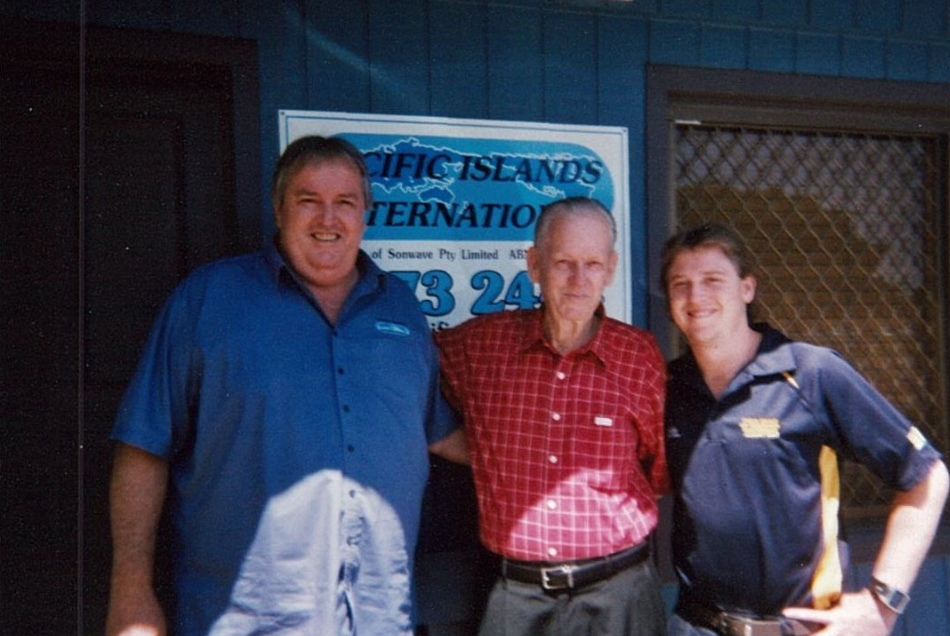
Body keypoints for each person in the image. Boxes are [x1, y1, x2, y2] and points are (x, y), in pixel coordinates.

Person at [106, 135, 460, 636]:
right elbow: (143, 445)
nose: (328, 220)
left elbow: (433, 430)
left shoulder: (399, 306)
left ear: (366, 215)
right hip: (247, 619)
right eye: (308, 201)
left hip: (379, 615)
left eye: (345, 203)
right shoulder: (209, 301)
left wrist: (550, 451)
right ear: (278, 210)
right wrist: (131, 592)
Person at [660, 222, 949, 636]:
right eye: (680, 284)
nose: (696, 296)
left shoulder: (810, 373)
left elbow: (927, 476)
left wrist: (883, 603)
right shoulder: (667, 387)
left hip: (805, 629)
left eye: (712, 280)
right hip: (695, 627)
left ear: (747, 288)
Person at [434, 197, 669, 636]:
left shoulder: (639, 356)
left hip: (619, 596)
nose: (579, 280)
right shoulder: (480, 347)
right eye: (563, 263)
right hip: (516, 600)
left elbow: (656, 469)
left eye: (593, 264)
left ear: (611, 268)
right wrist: (471, 448)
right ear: (535, 265)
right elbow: (401, 374)